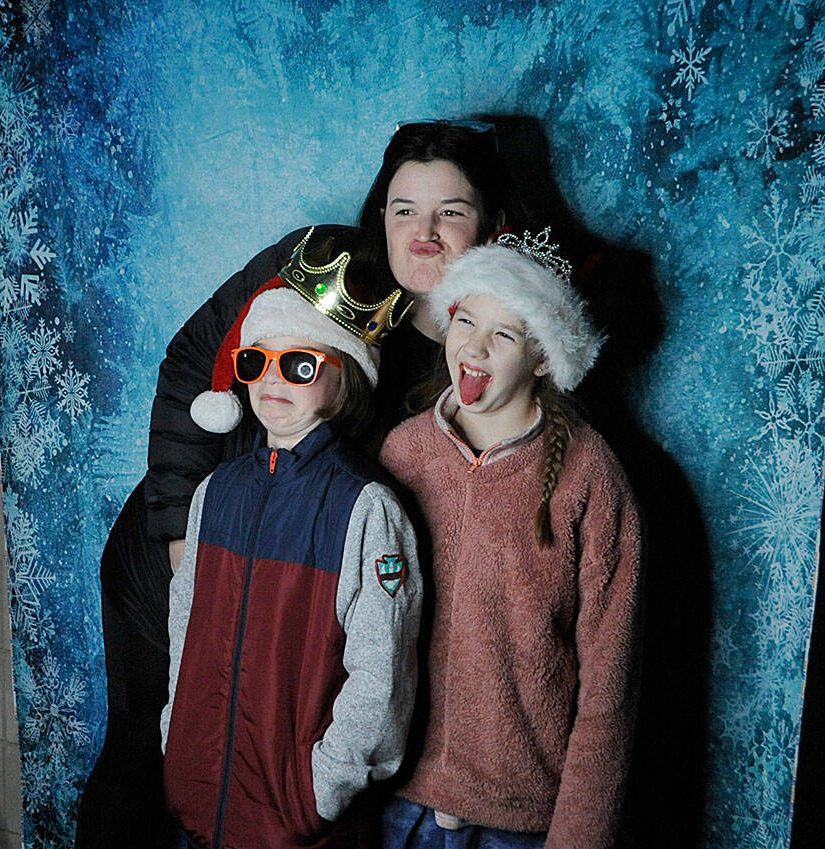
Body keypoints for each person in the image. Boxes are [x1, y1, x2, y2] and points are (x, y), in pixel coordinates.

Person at [76, 119, 514, 848]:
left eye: (451, 213)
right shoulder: (316, 261)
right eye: (404, 210)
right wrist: (188, 540)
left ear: (492, 226)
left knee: (274, 795)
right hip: (187, 554)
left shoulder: (490, 341)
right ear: (380, 215)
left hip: (301, 601)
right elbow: (195, 364)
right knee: (149, 761)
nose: (424, 234)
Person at [378, 230, 642, 848]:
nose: (474, 346)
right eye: (466, 319)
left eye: (504, 333)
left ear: (544, 357)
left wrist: (578, 837)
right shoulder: (402, 451)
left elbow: (611, 680)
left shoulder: (590, 474)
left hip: (520, 820)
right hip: (401, 806)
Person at [160, 265, 423, 849]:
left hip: (297, 820)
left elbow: (382, 673)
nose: (272, 381)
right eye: (255, 362)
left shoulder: (366, 506)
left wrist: (323, 788)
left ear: (344, 376)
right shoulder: (216, 493)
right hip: (198, 804)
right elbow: (184, 629)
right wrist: (173, 739)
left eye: (300, 365)